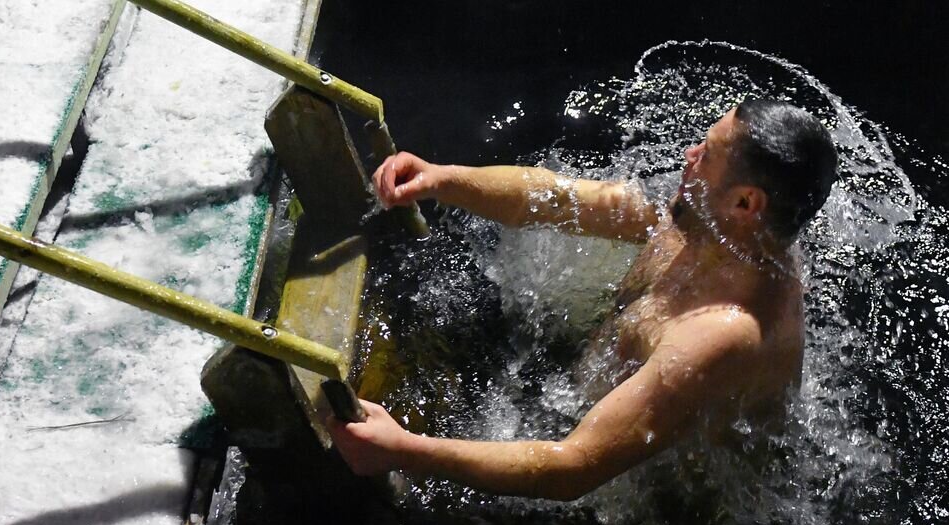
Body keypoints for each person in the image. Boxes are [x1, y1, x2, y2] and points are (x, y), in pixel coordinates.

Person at [327, 100, 837, 501]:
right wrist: (441, 179)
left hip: (660, 508)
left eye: (707, 153)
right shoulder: (711, 223)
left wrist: (405, 451)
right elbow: (556, 198)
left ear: (746, 203)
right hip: (585, 409)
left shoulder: (725, 335)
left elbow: (575, 468)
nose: (689, 157)